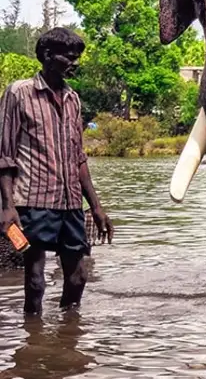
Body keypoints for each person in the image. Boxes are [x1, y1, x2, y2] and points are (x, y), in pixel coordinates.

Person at [0, 27, 114, 315]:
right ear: (48, 55)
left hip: (71, 204)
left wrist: (97, 206)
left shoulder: (73, 99)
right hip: (33, 202)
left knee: (78, 276)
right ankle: (33, 339)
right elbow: (4, 156)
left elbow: (79, 158)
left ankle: (68, 334)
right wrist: (7, 206)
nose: (74, 63)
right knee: (35, 280)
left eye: (77, 57)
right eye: (69, 57)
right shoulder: (19, 93)